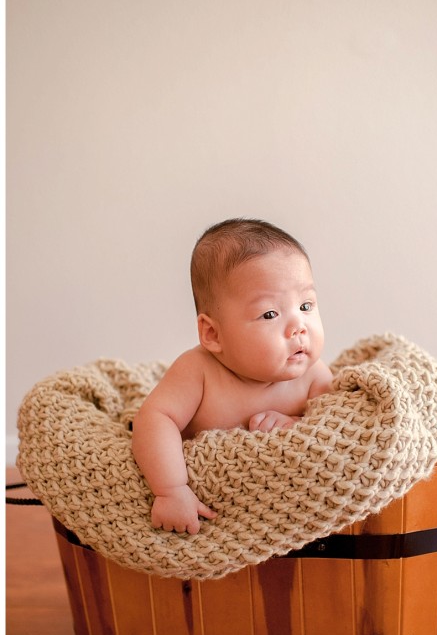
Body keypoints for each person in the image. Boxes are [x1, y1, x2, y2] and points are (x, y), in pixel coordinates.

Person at [132, 218, 333, 535]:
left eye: (306, 305)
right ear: (213, 334)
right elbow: (154, 419)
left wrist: (297, 426)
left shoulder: (313, 376)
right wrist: (171, 490)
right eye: (270, 314)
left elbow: (333, 434)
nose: (299, 326)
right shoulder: (198, 372)